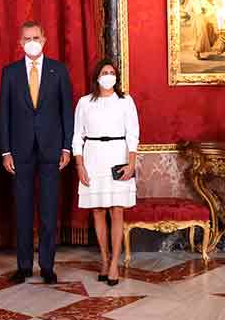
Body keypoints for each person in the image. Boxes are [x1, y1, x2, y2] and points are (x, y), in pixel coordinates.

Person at [0, 21, 73, 284]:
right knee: (22, 210)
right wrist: (5, 151)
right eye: (27, 38)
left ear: (45, 40)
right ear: (20, 42)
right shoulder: (9, 73)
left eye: (36, 37)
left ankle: (47, 266)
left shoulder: (59, 71)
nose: (32, 41)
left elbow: (67, 111)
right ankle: (23, 266)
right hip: (19, 151)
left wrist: (67, 147)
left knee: (49, 210)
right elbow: (4, 115)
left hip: (52, 149)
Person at [72, 59, 139, 286]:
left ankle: (114, 265)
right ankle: (103, 259)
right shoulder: (84, 103)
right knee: (98, 210)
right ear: (97, 76)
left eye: (112, 72)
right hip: (93, 158)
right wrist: (80, 165)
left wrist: (131, 164)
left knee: (117, 210)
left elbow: (133, 135)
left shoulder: (125, 101)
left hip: (118, 157)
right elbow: (76, 137)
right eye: (104, 72)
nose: (109, 75)